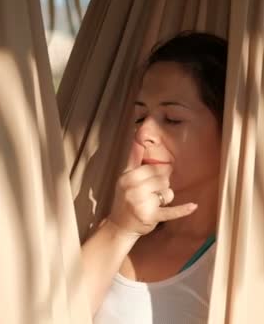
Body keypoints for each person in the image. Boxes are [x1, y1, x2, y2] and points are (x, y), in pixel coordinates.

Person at [81, 31, 227, 323]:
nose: (143, 133)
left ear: (230, 131)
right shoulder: (112, 229)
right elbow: (50, 314)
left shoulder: (232, 261)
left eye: (172, 118)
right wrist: (119, 229)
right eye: (140, 117)